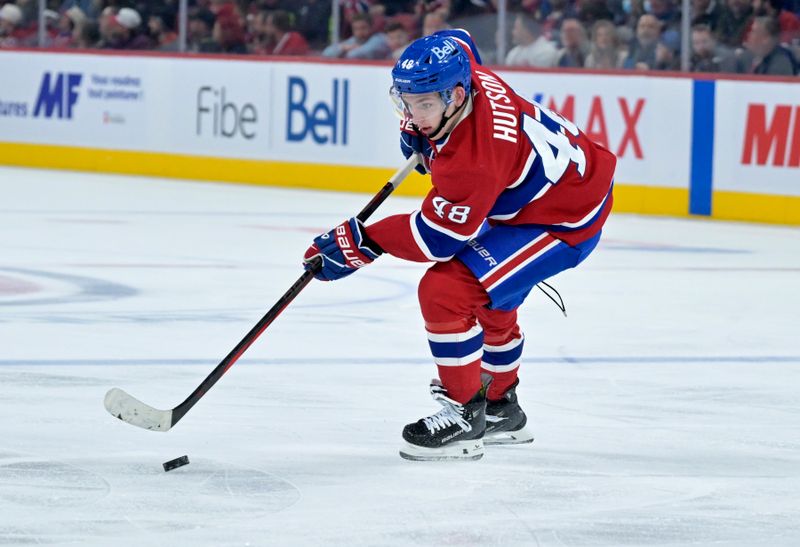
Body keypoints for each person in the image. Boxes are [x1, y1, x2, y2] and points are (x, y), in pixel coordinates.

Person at [303, 29, 616, 461]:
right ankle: (502, 407)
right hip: (555, 192)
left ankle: (467, 415)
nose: (414, 114)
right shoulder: (465, 67)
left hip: (564, 219)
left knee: (447, 291)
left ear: (455, 95)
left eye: (426, 105)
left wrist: (364, 240)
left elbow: (437, 239)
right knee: (491, 297)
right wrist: (424, 129)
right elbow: (461, 36)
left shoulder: (475, 159)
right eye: (407, 103)